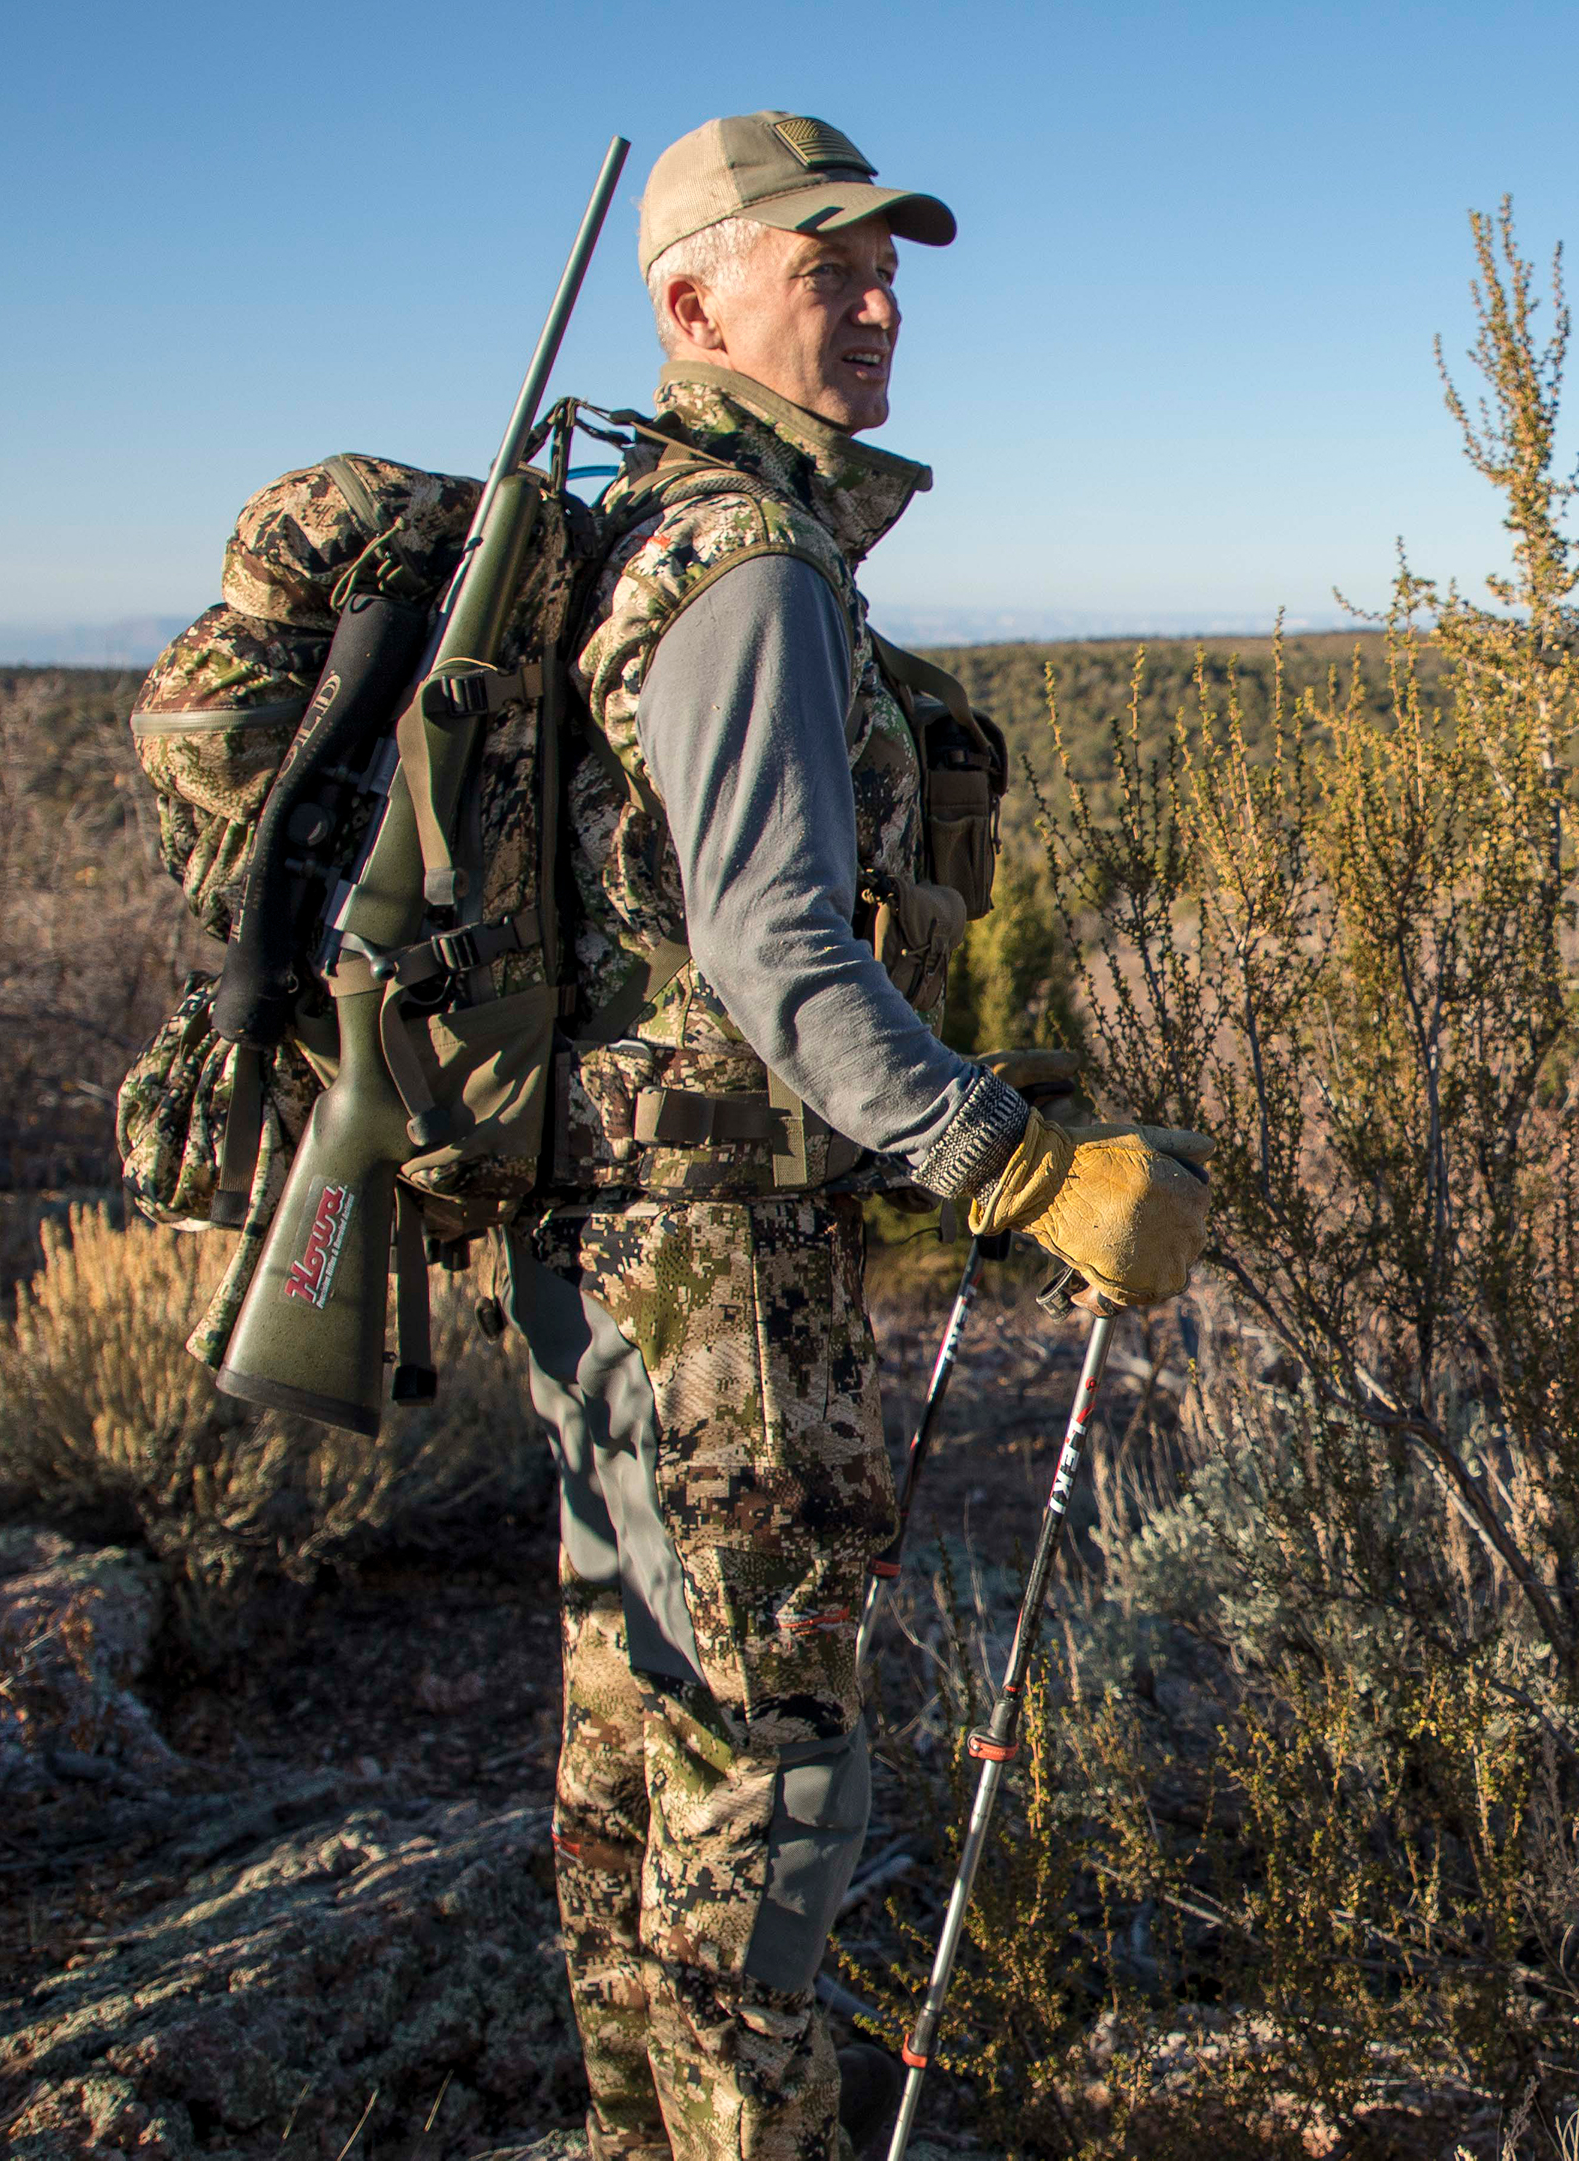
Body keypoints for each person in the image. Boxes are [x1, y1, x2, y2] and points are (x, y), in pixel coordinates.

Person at [507, 110, 1208, 2161]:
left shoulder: (630, 526)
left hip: (605, 1236)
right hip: (717, 1265)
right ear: (694, 295)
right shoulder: (748, 561)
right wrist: (1025, 1167)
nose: (884, 305)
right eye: (835, 267)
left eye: (890, 269)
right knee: (771, 1783)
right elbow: (777, 960)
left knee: (641, 1754)